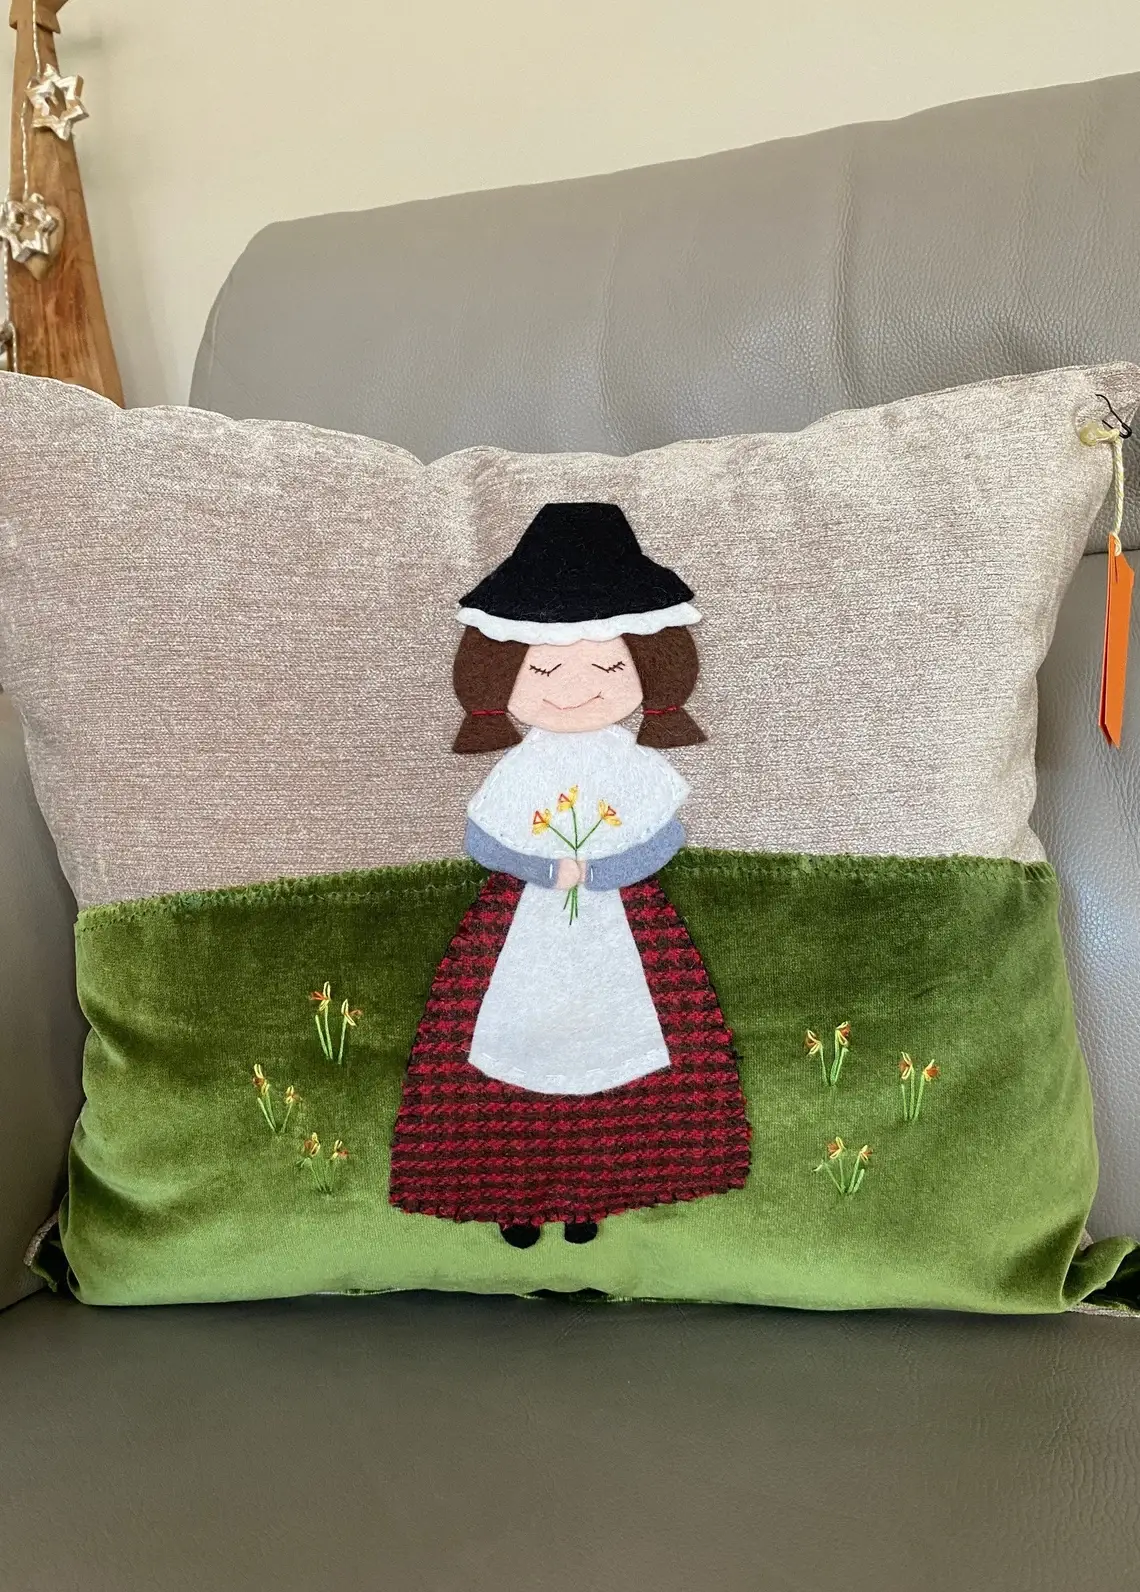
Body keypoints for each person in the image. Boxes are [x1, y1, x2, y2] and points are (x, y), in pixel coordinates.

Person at [388, 501, 751, 1247]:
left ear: (649, 667)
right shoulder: (523, 767)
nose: (573, 687)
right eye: (545, 668)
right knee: (507, 1044)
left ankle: (596, 1193)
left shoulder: (633, 764)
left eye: (609, 666)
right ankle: (512, 1198)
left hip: (623, 924)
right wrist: (547, 868)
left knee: (624, 1039)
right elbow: (484, 840)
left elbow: (665, 835)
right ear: (503, 674)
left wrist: (608, 868)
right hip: (526, 925)